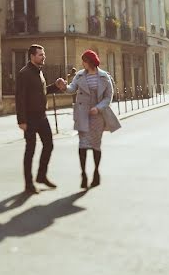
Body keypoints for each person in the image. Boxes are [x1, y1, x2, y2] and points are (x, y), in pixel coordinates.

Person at [64, 50, 121, 189]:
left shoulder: (104, 77)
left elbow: (109, 96)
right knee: (82, 145)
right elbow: (71, 89)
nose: (82, 63)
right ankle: (83, 174)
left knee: (96, 145)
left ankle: (96, 173)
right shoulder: (79, 75)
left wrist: (98, 108)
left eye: (84, 60)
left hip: (97, 116)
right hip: (83, 114)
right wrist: (63, 86)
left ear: (89, 61)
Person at [15, 44, 66, 194]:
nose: (43, 57)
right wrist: (21, 120)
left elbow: (43, 92)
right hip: (29, 118)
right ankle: (28, 184)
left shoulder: (39, 72)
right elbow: (20, 98)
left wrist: (56, 86)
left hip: (41, 117)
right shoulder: (24, 73)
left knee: (48, 145)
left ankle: (41, 176)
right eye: (40, 55)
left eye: (43, 55)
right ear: (32, 56)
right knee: (30, 150)